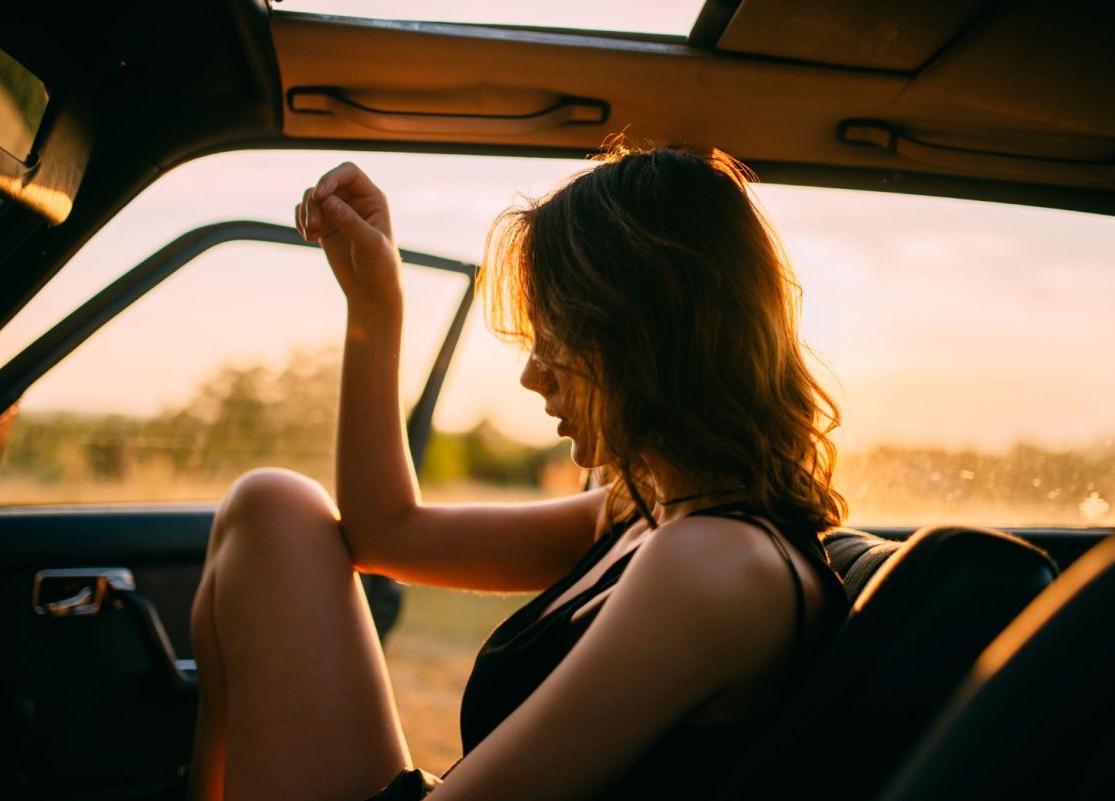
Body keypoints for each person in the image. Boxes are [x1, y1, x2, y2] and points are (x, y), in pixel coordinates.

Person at [186, 144, 850, 801]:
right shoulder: (640, 512)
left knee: (268, 507)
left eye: (556, 334)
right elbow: (383, 532)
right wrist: (374, 303)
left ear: (641, 333)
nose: (533, 376)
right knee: (273, 505)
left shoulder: (716, 563)